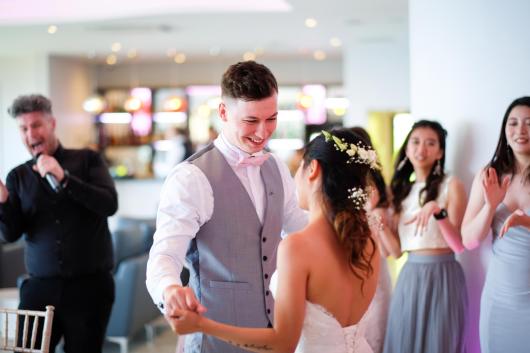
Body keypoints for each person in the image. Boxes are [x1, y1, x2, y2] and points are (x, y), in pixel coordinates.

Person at [146, 61, 308, 353]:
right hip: (213, 339)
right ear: (223, 112)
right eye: (251, 121)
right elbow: (165, 255)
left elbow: (296, 222)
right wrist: (170, 289)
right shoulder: (190, 177)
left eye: (271, 118)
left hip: (272, 336)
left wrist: (344, 225)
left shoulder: (276, 167)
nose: (263, 132)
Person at [169, 128, 380, 353]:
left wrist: (203, 325)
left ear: (313, 169)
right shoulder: (368, 239)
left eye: (298, 166)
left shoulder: (298, 246)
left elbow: (282, 343)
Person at [0, 94, 117, 353]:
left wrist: (64, 177)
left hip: (89, 289)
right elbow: (10, 234)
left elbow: (109, 205)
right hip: (39, 289)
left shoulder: (88, 160)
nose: (31, 133)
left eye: (37, 125)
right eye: (24, 128)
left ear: (52, 124)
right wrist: (3, 202)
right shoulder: (17, 176)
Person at [382, 120, 468, 353]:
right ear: (407, 148)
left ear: (440, 152)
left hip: (444, 274)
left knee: (440, 343)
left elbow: (459, 245)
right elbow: (395, 252)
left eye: (431, 143)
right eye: (416, 142)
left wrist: (438, 212)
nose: (422, 149)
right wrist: (377, 219)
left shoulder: (452, 185)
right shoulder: (398, 191)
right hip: (410, 275)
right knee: (404, 340)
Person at [461, 96, 530, 353]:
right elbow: (469, 240)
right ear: (504, 130)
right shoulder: (489, 174)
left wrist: (526, 222)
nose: (520, 130)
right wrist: (490, 206)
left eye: (529, 123)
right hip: (499, 300)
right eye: (513, 123)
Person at [350, 127, 394, 353]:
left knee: (376, 336)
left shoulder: (379, 187)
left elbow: (390, 251)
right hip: (349, 272)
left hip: (376, 270)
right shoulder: (340, 187)